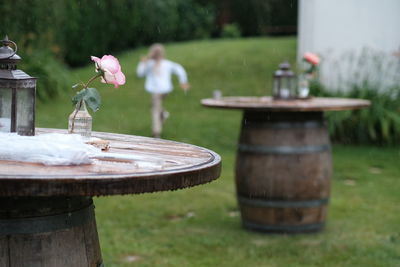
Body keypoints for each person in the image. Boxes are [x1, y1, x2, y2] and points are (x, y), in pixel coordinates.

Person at [136, 43, 189, 138]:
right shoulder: (166, 64)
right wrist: (183, 81)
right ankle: (163, 114)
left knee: (155, 110)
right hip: (165, 90)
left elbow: (140, 73)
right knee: (156, 106)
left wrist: (142, 63)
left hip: (157, 91)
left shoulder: (150, 64)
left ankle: (156, 132)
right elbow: (180, 69)